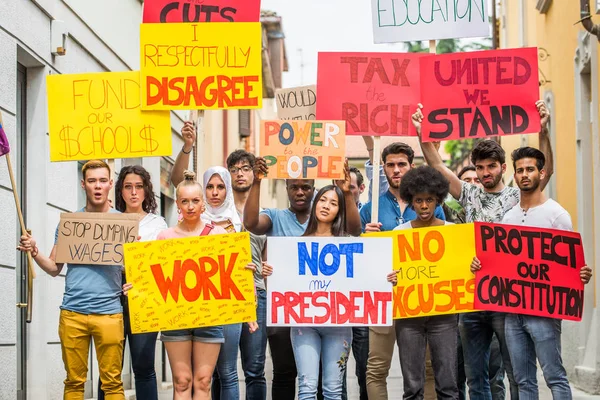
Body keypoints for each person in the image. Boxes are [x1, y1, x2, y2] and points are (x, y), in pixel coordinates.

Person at [412, 101, 554, 400]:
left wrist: (543, 132)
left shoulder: (519, 194)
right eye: (479, 167)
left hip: (509, 297)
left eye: (491, 166)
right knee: (476, 377)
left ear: (504, 167)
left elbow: (546, 170)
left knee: (515, 372)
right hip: (473, 298)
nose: (485, 172)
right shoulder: (470, 193)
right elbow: (438, 166)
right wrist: (421, 132)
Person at [471, 147, 592, 399]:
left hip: (544, 313)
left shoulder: (557, 215)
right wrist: (479, 266)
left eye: (530, 169)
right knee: (523, 379)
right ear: (514, 175)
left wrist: (580, 275)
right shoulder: (508, 218)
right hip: (513, 313)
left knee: (555, 376)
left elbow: (570, 264)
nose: (524, 174)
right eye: (520, 170)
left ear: (542, 173)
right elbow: (498, 262)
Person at [245, 158, 361, 400]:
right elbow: (251, 224)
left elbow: (355, 230)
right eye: (294, 187)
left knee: (328, 385)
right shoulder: (275, 217)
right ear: (286, 187)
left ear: (314, 189)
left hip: (332, 315)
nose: (300, 192)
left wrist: (347, 191)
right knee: (286, 374)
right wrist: (256, 182)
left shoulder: (337, 230)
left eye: (306, 187)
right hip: (287, 315)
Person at [263, 181, 386, 400]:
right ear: (315, 204)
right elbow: (282, 284)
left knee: (332, 390)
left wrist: (386, 278)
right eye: (322, 200)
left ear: (340, 211)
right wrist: (270, 273)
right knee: (307, 388)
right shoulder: (294, 245)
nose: (326, 206)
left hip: (339, 326)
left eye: (333, 203)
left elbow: (369, 276)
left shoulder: (348, 244)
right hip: (304, 325)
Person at [17, 160, 126, 399]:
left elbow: (136, 271)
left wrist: (132, 282)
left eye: (101, 181)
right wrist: (34, 251)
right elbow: (55, 268)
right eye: (91, 181)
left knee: (113, 385)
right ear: (83, 184)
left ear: (110, 184)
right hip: (73, 314)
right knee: (74, 383)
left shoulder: (124, 224)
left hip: (109, 313)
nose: (97, 186)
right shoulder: (69, 224)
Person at [360, 142, 446, 400]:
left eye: (402, 164)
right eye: (390, 165)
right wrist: (367, 238)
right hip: (383, 298)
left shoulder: (431, 205)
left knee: (428, 368)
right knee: (376, 368)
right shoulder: (369, 209)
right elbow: (360, 258)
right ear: (383, 169)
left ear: (411, 166)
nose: (396, 170)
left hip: (421, 298)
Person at [97, 165, 168, 400]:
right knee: (109, 369)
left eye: (139, 186)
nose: (134, 192)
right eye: (128, 187)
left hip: (145, 298)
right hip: (111, 295)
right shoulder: (109, 220)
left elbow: (162, 264)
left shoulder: (158, 224)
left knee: (144, 367)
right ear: (120, 191)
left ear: (147, 190)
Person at [157, 171, 228, 400]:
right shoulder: (165, 237)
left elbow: (229, 275)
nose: (190, 206)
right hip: (175, 317)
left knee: (203, 382)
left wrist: (244, 269)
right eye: (185, 201)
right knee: (181, 381)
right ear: (177, 204)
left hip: (209, 315)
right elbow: (155, 278)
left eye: (195, 201)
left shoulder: (218, 235)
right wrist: (137, 286)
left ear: (203, 204)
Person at [392, 166, 459, 399]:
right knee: (412, 387)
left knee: (448, 384)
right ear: (411, 201)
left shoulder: (453, 232)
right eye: (418, 200)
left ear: (438, 200)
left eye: (429, 200)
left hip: (444, 316)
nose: (423, 206)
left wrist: (471, 268)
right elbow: (390, 274)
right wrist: (392, 277)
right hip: (409, 317)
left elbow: (460, 269)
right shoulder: (399, 233)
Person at [226, 150, 269, 400]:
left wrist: (266, 268)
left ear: (254, 172)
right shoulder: (219, 210)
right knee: (223, 370)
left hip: (257, 295)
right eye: (234, 169)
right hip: (225, 295)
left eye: (245, 168)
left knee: (255, 369)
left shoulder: (264, 214)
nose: (239, 173)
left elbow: (268, 256)